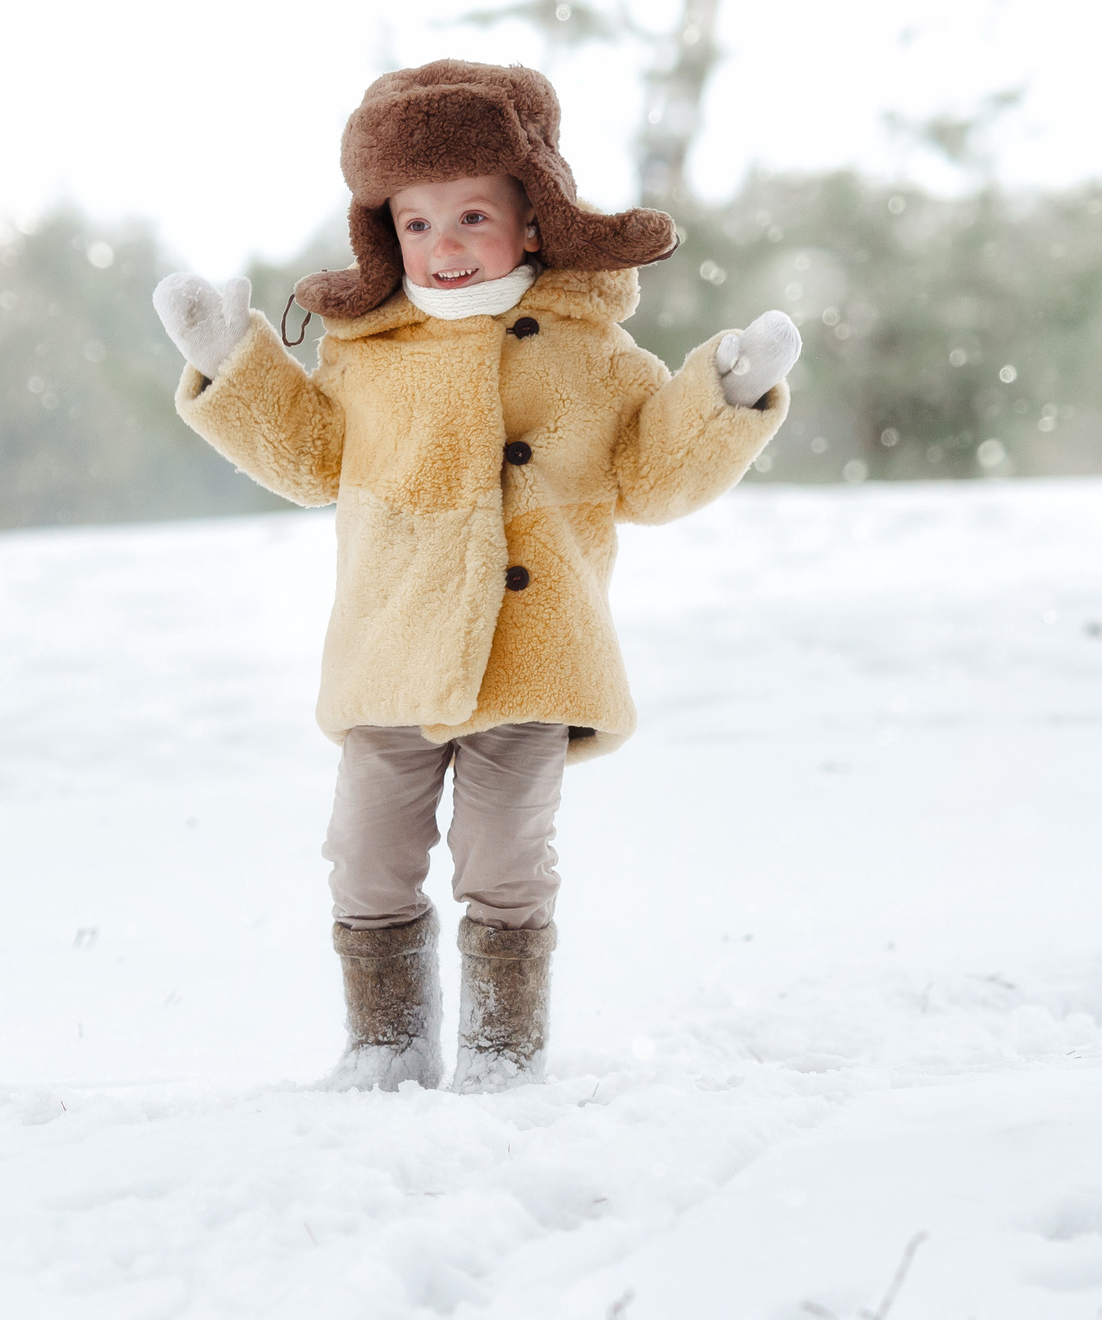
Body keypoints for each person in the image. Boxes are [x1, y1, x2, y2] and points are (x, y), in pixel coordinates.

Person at [152, 60, 797, 1093]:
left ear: (532, 220)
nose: (444, 247)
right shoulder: (370, 351)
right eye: (418, 224)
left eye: (471, 218)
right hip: (393, 653)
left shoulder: (590, 351)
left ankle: (501, 1051)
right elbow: (308, 454)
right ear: (385, 233)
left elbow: (651, 472)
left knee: (505, 861)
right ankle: (387, 1041)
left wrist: (722, 396)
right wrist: (236, 361)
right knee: (367, 855)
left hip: (533, 658)